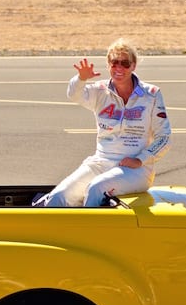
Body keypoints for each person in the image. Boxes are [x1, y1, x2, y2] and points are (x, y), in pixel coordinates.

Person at [34, 38, 172, 207]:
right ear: (108, 64)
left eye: (125, 63)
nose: (119, 68)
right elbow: (74, 94)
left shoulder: (151, 94)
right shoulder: (100, 91)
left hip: (135, 170)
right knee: (59, 196)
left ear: (134, 65)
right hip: (100, 162)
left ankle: (89, 232)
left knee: (96, 188)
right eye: (114, 63)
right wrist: (81, 78)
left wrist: (140, 159)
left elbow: (164, 138)